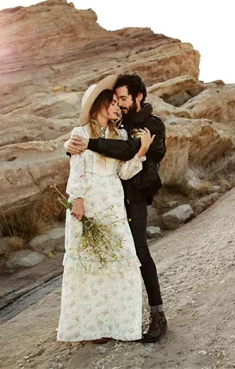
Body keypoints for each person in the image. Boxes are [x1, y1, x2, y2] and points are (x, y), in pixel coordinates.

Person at [65, 73, 168, 343]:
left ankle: (153, 317)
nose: (119, 104)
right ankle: (97, 323)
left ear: (138, 97)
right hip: (101, 201)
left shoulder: (149, 125)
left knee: (136, 256)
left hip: (127, 201)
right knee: (96, 263)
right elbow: (80, 161)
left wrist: (141, 150)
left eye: (123, 99)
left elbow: (125, 159)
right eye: (115, 99)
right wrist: (73, 147)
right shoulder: (109, 126)